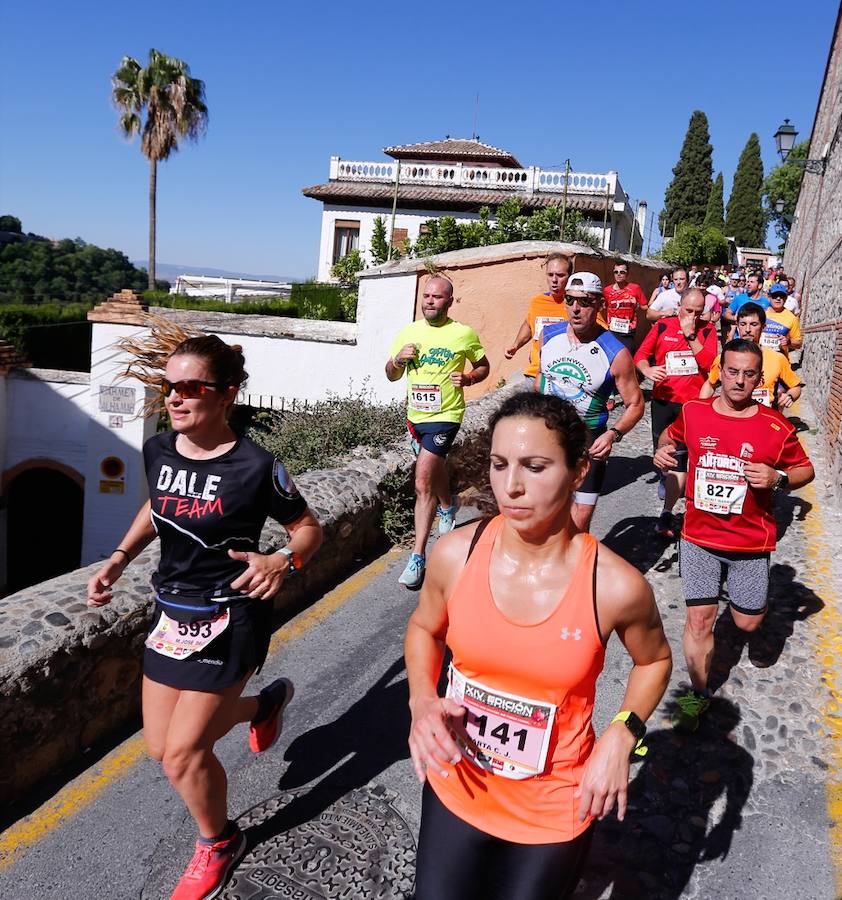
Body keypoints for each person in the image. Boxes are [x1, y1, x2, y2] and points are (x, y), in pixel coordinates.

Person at [406, 392, 672, 900]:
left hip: (553, 805)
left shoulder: (614, 586)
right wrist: (421, 700)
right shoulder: (455, 554)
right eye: (499, 464)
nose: (511, 486)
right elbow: (424, 629)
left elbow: (655, 660)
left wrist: (622, 733)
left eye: (535, 466)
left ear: (577, 473)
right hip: (457, 783)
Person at [86, 334, 324, 900]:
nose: (175, 396)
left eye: (191, 387)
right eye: (171, 385)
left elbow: (307, 528)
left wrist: (281, 560)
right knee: (158, 747)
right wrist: (119, 558)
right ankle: (263, 704)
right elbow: (157, 504)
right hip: (173, 613)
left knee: (182, 756)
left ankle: (220, 841)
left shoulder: (257, 466)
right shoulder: (159, 449)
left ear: (227, 396)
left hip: (231, 616)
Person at [655, 339, 814, 732]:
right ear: (719, 372)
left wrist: (778, 479)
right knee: (699, 622)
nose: (739, 381)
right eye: (732, 371)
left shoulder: (775, 427)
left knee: (745, 623)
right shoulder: (693, 413)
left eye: (748, 374)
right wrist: (661, 453)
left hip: (749, 543)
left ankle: (757, 612)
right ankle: (698, 693)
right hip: (698, 538)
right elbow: (669, 440)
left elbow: (805, 471)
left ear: (759, 378)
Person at [387, 275, 490, 587]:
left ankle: (417, 557)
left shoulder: (462, 334)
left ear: (449, 301)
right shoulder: (409, 332)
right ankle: (448, 506)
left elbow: (483, 365)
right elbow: (391, 374)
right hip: (415, 417)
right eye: (426, 296)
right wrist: (397, 360)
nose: (430, 301)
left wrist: (470, 378)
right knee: (435, 468)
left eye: (437, 297)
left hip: (446, 416)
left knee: (422, 481)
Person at [537, 272, 644, 532]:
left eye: (584, 302)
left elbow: (636, 403)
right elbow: (540, 378)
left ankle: (575, 570)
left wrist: (613, 435)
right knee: (542, 515)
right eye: (570, 300)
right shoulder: (548, 336)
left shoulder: (615, 352)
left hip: (589, 441)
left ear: (599, 305)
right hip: (547, 436)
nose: (575, 309)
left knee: (577, 525)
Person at [634, 289, 719, 538]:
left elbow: (709, 364)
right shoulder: (663, 325)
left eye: (698, 312)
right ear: (679, 305)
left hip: (692, 404)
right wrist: (647, 371)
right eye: (688, 310)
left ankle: (680, 501)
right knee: (663, 450)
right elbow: (640, 355)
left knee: (687, 453)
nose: (692, 316)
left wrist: (692, 335)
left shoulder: (706, 331)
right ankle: (668, 479)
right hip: (663, 400)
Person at [700, 302, 803, 409]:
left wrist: (789, 396)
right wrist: (701, 409)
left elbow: (795, 386)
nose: (748, 329)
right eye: (743, 324)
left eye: (754, 324)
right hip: (732, 420)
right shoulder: (725, 357)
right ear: (738, 325)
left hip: (763, 420)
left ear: (763, 327)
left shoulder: (777, 359)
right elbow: (710, 385)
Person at [505, 253, 575, 389]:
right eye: (550, 275)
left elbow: (599, 330)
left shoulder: (578, 304)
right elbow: (529, 325)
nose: (554, 280)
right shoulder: (537, 302)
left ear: (569, 276)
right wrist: (516, 345)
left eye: (560, 275)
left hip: (563, 376)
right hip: (535, 374)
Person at [601, 260, 648, 352]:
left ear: (627, 274)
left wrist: (637, 305)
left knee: (626, 356)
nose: (618, 274)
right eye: (616, 272)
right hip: (612, 330)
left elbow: (644, 306)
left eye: (622, 272)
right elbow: (603, 307)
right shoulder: (607, 290)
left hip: (628, 330)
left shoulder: (635, 288)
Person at [762, 283, 802, 359]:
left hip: (780, 361)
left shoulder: (792, 318)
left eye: (781, 296)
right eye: (775, 295)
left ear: (786, 298)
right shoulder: (761, 314)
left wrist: (789, 341)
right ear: (769, 297)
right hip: (760, 360)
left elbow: (799, 343)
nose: (778, 298)